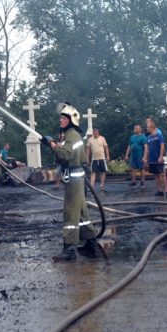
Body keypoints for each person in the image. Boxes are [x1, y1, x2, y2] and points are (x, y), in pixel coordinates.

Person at [47, 103, 98, 261]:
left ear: (70, 120)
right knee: (81, 211)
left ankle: (69, 249)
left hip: (75, 178)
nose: (60, 121)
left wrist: (53, 145)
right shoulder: (70, 134)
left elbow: (67, 154)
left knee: (70, 211)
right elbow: (65, 151)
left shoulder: (72, 135)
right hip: (76, 176)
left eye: (63, 118)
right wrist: (52, 144)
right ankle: (91, 242)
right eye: (60, 118)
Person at [143, 117, 167, 197]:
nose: (147, 129)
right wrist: (145, 158)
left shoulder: (159, 136)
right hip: (152, 159)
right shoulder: (148, 138)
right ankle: (159, 190)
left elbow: (162, 146)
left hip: (158, 158)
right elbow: (147, 149)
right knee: (156, 174)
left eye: (148, 127)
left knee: (161, 174)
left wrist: (161, 156)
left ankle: (166, 190)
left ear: (152, 127)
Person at [87, 127, 110, 192]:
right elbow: (88, 149)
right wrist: (87, 158)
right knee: (93, 172)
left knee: (102, 172)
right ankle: (92, 186)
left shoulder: (102, 138)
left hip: (102, 158)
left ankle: (102, 185)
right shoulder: (90, 139)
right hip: (94, 159)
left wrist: (107, 156)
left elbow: (106, 147)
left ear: (98, 133)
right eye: (94, 133)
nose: (95, 134)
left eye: (96, 133)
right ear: (92, 133)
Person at [125, 124, 147, 189]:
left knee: (141, 168)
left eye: (137, 128)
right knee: (132, 168)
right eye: (135, 128)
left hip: (140, 155)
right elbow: (129, 146)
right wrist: (126, 155)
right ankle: (133, 181)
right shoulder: (132, 137)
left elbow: (146, 147)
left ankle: (142, 181)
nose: (135, 129)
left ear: (140, 129)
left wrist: (144, 157)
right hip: (133, 155)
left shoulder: (143, 137)